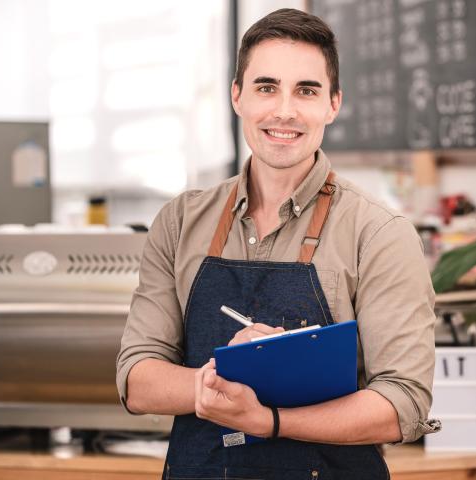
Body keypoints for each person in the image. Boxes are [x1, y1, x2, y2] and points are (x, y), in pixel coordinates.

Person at [116, 8, 438, 479]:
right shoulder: (180, 222)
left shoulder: (379, 233)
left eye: (305, 90)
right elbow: (137, 378)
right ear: (237, 96)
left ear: (333, 104)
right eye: (266, 87)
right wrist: (221, 378)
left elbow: (403, 402)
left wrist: (267, 420)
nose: (284, 110)